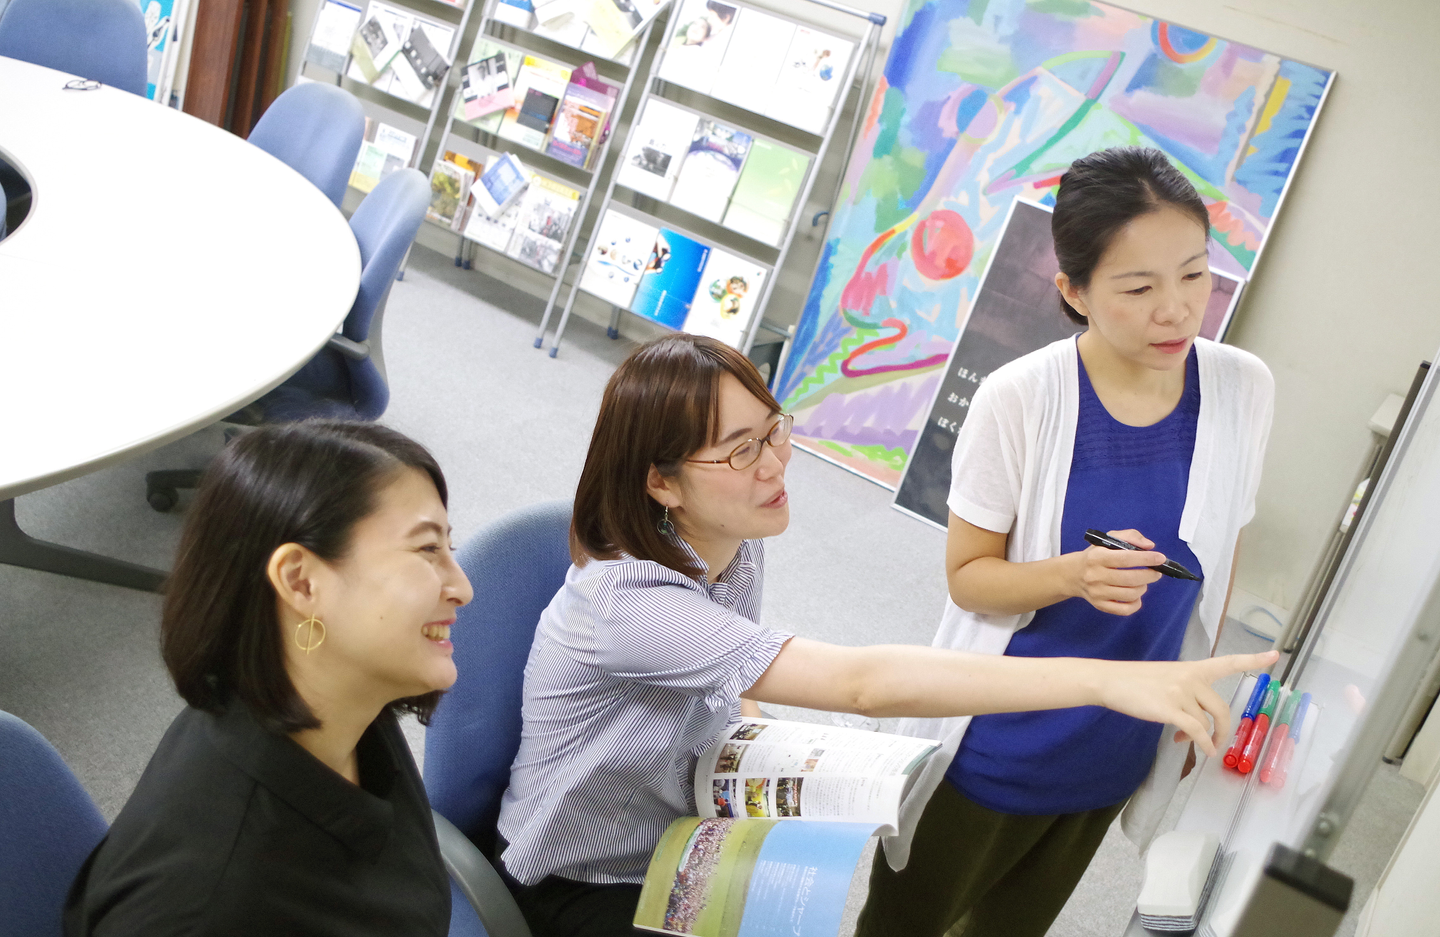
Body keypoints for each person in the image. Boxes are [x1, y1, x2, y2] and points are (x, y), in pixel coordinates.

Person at [494, 332, 1276, 937]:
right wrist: (1108, 678)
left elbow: (724, 678)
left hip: (679, 834)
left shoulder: (733, 543)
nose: (774, 465)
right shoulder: (627, 602)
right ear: (660, 481)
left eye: (773, 431)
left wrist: (767, 750)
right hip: (580, 878)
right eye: (740, 450)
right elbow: (861, 684)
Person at [854, 147, 1276, 937]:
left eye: (1194, 274)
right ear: (1074, 292)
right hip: (995, 742)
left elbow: (1220, 560)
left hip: (1116, 746)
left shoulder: (1242, 387)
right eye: (1139, 288)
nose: (1177, 309)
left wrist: (1193, 689)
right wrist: (1074, 574)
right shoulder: (1019, 397)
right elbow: (969, 577)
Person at [64, 421, 473, 936]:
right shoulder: (209, 905)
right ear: (301, 582)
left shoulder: (345, 705)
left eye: (448, 547)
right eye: (427, 549)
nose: (463, 587)